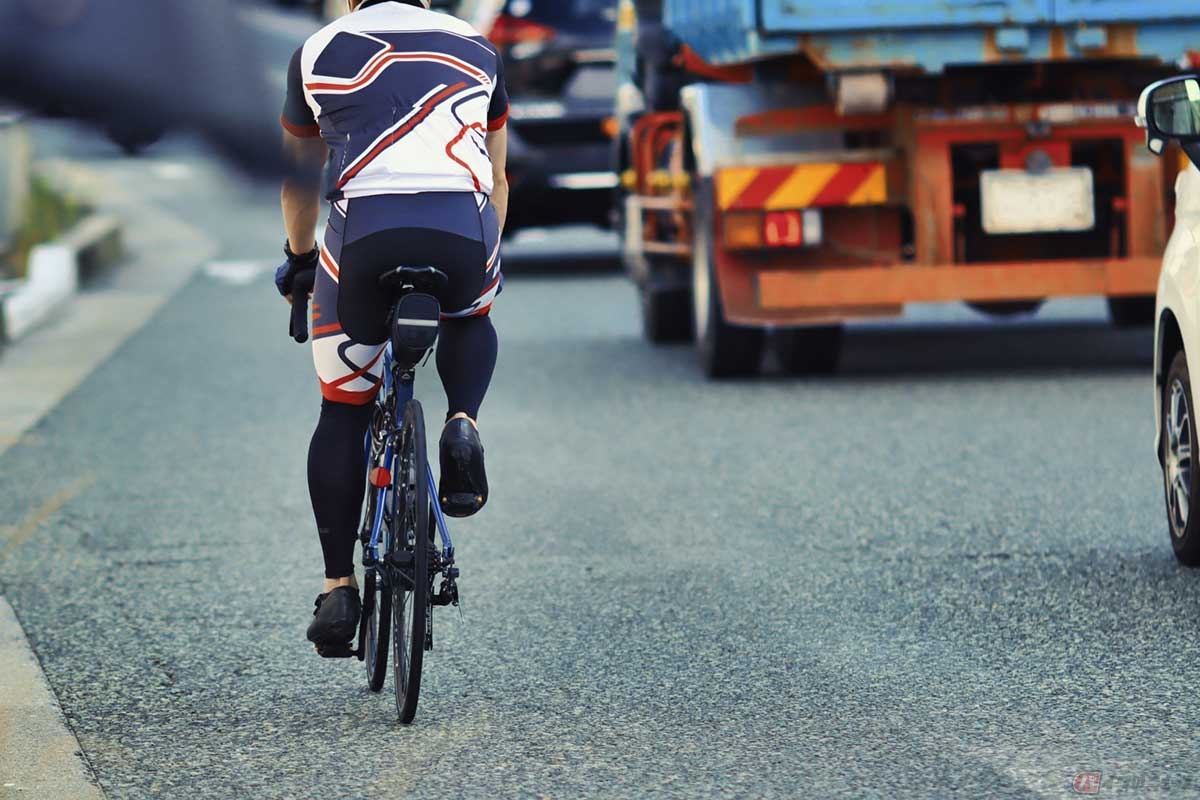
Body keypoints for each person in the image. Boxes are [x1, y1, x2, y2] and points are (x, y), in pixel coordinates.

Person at [274, 0, 509, 652]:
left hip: (364, 240)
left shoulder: (317, 50)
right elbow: (497, 173)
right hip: (462, 227)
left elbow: (300, 182)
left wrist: (298, 263)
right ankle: (463, 420)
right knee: (472, 313)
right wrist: (486, 252)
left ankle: (338, 587)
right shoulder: (478, 46)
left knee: (343, 410)